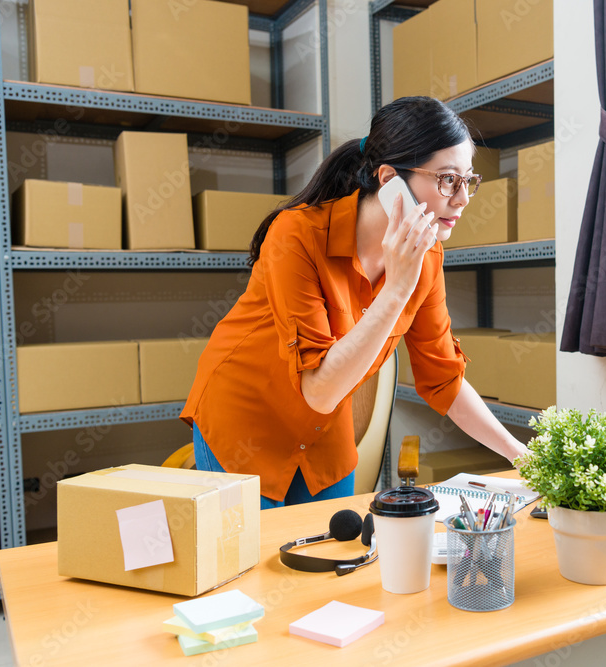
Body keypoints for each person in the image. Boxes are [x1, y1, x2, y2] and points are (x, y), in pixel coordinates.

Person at [180, 96, 530, 509]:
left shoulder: (428, 255)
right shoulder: (296, 235)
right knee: (250, 568)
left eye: (467, 180)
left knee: (333, 560)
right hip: (244, 424)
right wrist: (397, 288)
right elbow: (319, 390)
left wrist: (523, 457)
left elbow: (443, 381)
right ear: (389, 180)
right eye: (446, 180)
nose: (462, 198)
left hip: (324, 435)